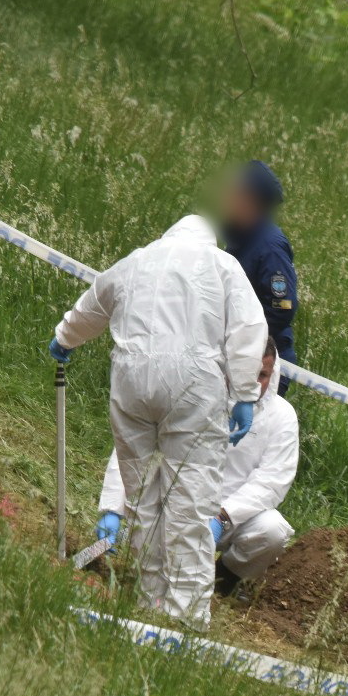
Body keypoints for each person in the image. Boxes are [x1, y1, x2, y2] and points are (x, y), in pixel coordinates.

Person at [50, 213, 268, 627]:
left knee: (140, 493)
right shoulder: (222, 266)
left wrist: (65, 337)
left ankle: (149, 597)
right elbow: (248, 328)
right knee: (190, 498)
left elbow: (94, 301)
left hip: (132, 379)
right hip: (193, 385)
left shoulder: (138, 259)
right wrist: (244, 393)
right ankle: (185, 615)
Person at [95, 339, 299, 594]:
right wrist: (113, 509)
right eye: (246, 372)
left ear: (273, 374)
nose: (253, 383)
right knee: (154, 573)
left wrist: (223, 516)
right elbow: (135, 443)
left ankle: (225, 580)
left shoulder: (281, 417)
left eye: (262, 375)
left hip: (231, 518)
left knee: (272, 530)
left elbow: (272, 480)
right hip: (178, 503)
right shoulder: (189, 391)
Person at [220, 161, 299, 381]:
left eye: (235, 192)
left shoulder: (270, 247)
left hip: (263, 365)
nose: (228, 198)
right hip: (237, 358)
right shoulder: (238, 238)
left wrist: (240, 336)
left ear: (250, 200)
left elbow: (281, 308)